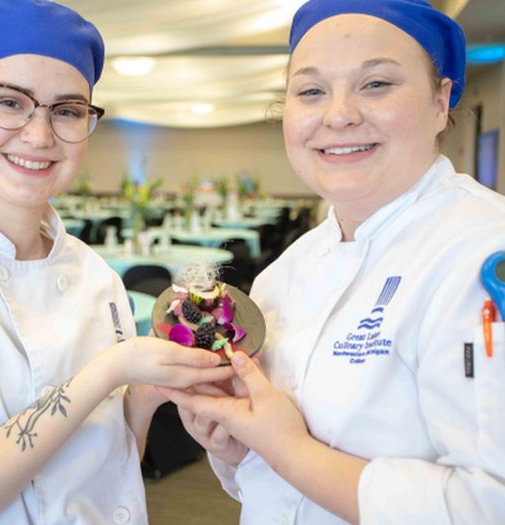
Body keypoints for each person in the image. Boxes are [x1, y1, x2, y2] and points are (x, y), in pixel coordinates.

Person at [0, 1, 235, 524]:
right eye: (8, 102)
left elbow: (113, 467)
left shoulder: (97, 278)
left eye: (67, 110)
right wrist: (107, 373)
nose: (39, 136)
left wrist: (143, 399)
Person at [160, 1, 505, 524]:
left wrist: (290, 450)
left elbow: (489, 504)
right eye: (311, 91)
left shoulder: (481, 250)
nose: (338, 114)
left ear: (441, 101)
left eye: (376, 84)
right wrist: (238, 449)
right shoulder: (284, 274)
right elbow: (272, 490)